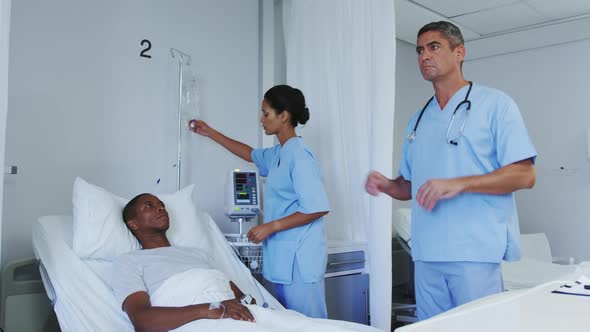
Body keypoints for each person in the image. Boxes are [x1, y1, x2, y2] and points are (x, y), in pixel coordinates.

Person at [365, 21, 537, 320]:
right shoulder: (418, 120)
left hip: (473, 251)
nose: (424, 56)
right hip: (427, 253)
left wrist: (459, 183)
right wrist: (387, 185)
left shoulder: (496, 105)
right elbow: (409, 186)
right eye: (419, 50)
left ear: (459, 52)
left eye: (434, 47)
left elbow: (525, 175)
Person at [188, 85, 330, 318]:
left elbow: (317, 207)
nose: (261, 119)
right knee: (288, 323)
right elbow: (250, 153)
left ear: (283, 116)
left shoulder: (299, 155)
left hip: (300, 260)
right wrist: (211, 133)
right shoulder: (278, 153)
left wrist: (270, 226)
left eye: (266, 114)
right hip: (282, 257)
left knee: (309, 325)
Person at [112, 193, 255, 331]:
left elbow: (243, 298)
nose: (161, 208)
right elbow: (142, 321)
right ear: (133, 224)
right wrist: (213, 309)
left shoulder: (198, 254)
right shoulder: (129, 261)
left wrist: (257, 310)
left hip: (240, 320)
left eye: (162, 205)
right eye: (149, 206)